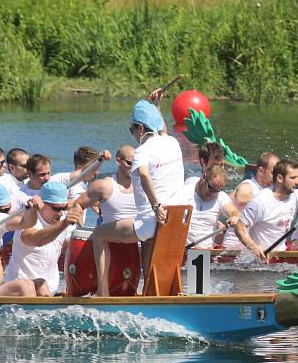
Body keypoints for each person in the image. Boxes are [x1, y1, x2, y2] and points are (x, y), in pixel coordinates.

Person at [91, 99, 185, 296]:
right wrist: (157, 106)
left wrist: (156, 206)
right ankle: (152, 294)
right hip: (177, 220)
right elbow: (163, 130)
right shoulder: (172, 142)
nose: (132, 135)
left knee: (99, 234)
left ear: (140, 128)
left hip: (151, 222)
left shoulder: (142, 151)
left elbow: (143, 174)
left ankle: (102, 293)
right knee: (148, 242)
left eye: (131, 129)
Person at [4, 181, 83, 296]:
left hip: (49, 291)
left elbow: (62, 246)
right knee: (33, 287)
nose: (61, 213)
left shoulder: (61, 218)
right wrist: (64, 223)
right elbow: (38, 239)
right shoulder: (28, 221)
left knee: (43, 288)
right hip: (20, 291)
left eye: (64, 208)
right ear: (41, 205)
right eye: (56, 208)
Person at [234, 158, 298, 261]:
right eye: (293, 178)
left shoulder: (295, 195)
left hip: (279, 256)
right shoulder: (260, 201)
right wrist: (254, 248)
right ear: (280, 178)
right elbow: (239, 228)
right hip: (259, 261)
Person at [221, 151, 279, 249]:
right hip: (235, 246)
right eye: (273, 173)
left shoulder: (271, 189)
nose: (276, 177)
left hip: (256, 247)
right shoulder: (248, 185)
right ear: (261, 171)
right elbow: (240, 198)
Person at [75, 145, 137, 225]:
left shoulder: (144, 185)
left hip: (137, 235)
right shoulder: (103, 186)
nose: (133, 167)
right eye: (130, 163)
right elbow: (77, 205)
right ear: (118, 161)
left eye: (136, 163)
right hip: (110, 235)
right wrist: (80, 228)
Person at [183, 165, 239, 248]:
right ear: (203, 177)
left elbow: (234, 212)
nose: (212, 193)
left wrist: (234, 216)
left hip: (207, 251)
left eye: (217, 191)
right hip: (184, 249)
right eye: (211, 188)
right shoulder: (184, 192)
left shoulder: (220, 196)